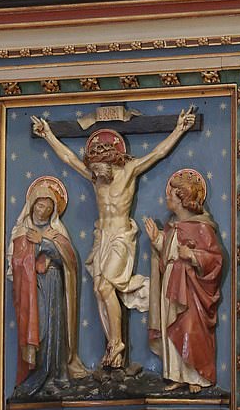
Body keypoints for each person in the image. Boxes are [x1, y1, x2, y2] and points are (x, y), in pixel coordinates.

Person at [31, 106, 196, 369]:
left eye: (99, 167)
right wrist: (48, 135)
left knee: (106, 285)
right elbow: (70, 160)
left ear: (112, 160)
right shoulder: (96, 178)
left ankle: (117, 342)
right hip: (102, 236)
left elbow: (157, 153)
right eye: (93, 169)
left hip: (121, 235)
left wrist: (179, 128)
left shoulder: (129, 171)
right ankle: (114, 350)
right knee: (99, 290)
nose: (96, 173)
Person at [144, 169, 223, 393]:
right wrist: (157, 240)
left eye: (171, 194)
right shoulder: (171, 227)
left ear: (182, 199)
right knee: (171, 327)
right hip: (171, 281)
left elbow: (215, 259)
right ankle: (176, 374)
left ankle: (195, 375)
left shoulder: (202, 227)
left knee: (188, 327)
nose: (167, 197)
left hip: (190, 288)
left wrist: (194, 256)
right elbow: (167, 254)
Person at [7, 175, 87, 396]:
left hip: (54, 285)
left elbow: (69, 260)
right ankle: (37, 374)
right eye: (40, 204)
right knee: (39, 329)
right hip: (32, 290)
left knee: (54, 329)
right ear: (32, 205)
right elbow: (15, 262)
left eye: (48, 206)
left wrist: (44, 243)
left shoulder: (57, 232)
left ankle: (55, 374)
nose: (43, 209)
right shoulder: (22, 231)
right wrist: (35, 251)